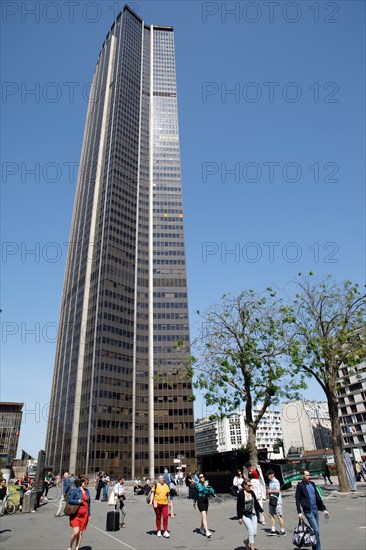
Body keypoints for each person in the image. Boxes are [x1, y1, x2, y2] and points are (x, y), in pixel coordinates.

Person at [296, 470, 329, 550]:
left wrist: (324, 509)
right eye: (307, 475)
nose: (308, 477)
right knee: (316, 530)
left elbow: (318, 497)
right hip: (308, 511)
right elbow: (297, 499)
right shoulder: (300, 486)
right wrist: (299, 512)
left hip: (315, 510)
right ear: (303, 476)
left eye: (309, 475)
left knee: (316, 531)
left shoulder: (312, 484)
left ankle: (315, 547)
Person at [237, 478, 265, 550]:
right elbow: (239, 506)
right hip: (245, 515)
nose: (250, 487)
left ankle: (246, 541)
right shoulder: (240, 493)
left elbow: (256, 503)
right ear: (244, 485)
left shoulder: (252, 492)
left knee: (254, 533)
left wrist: (262, 511)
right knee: (251, 532)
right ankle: (252, 548)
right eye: (248, 485)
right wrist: (239, 517)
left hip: (253, 514)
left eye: (251, 485)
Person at [68, 477, 91, 550]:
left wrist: (89, 514)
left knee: (80, 533)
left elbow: (89, 504)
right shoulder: (76, 490)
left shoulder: (87, 491)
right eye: (85, 483)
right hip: (76, 514)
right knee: (76, 532)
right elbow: (70, 500)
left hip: (85, 514)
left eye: (87, 483)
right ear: (81, 483)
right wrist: (77, 501)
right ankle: (70, 545)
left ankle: (77, 547)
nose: (86, 485)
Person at [193, 473, 216, 538]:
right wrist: (194, 503)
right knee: (204, 516)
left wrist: (213, 494)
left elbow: (210, 490)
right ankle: (207, 531)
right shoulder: (198, 485)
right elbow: (197, 494)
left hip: (206, 501)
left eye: (203, 476)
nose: (202, 477)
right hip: (200, 501)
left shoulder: (207, 483)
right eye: (200, 477)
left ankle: (201, 528)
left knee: (204, 516)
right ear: (199, 479)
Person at [267, 469, 286, 536]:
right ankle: (273, 529)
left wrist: (270, 491)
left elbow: (278, 491)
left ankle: (282, 530)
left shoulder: (276, 481)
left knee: (279, 515)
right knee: (271, 514)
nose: (267, 476)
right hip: (271, 500)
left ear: (272, 475)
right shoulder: (270, 482)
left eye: (268, 475)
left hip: (277, 501)